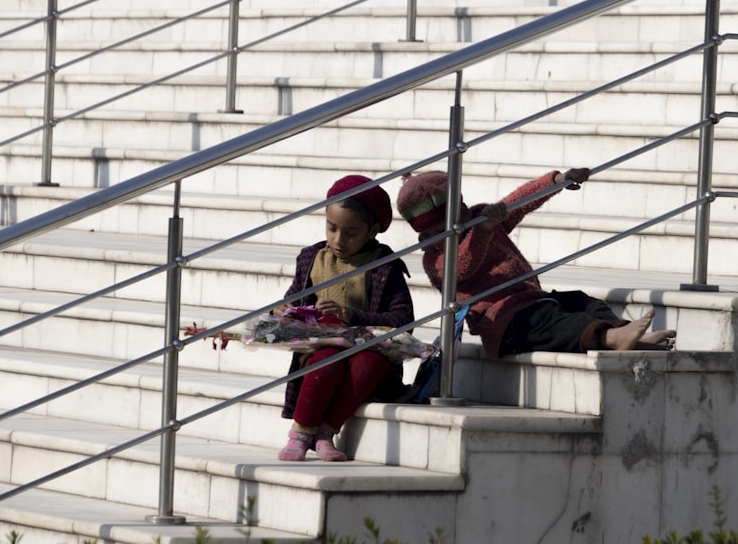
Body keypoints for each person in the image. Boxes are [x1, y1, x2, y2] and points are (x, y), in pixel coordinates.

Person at [395, 167, 675, 359]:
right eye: (427, 235)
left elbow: (519, 201)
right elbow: (463, 266)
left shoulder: (483, 219)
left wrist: (556, 181)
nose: (435, 239)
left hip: (532, 301)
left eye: (442, 230)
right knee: (554, 322)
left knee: (579, 302)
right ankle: (610, 339)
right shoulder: (436, 260)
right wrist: (481, 232)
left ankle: (623, 334)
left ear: (461, 213)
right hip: (503, 325)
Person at [274, 175, 414, 462]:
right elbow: (290, 301)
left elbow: (402, 318)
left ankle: (325, 434)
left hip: (368, 348)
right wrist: (284, 311)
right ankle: (300, 434)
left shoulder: (384, 267)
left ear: (373, 230)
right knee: (328, 358)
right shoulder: (313, 259)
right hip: (324, 348)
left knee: (372, 365)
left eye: (351, 233)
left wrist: (353, 315)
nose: (338, 240)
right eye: (332, 228)